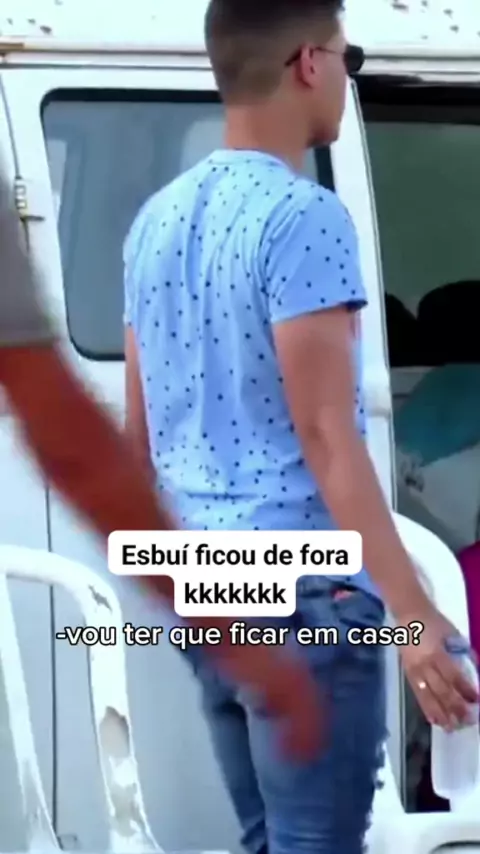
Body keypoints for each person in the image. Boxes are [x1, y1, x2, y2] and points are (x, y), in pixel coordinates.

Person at [124, 1, 477, 852]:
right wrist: (414, 617)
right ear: (309, 64)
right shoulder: (305, 217)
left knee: (269, 840)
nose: (347, 77)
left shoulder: (154, 223)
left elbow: (140, 435)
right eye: (348, 58)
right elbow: (326, 436)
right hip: (305, 592)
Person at [0, 162, 323, 761]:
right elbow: (67, 436)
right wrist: (238, 642)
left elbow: (123, 438)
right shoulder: (312, 226)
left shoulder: (150, 232)